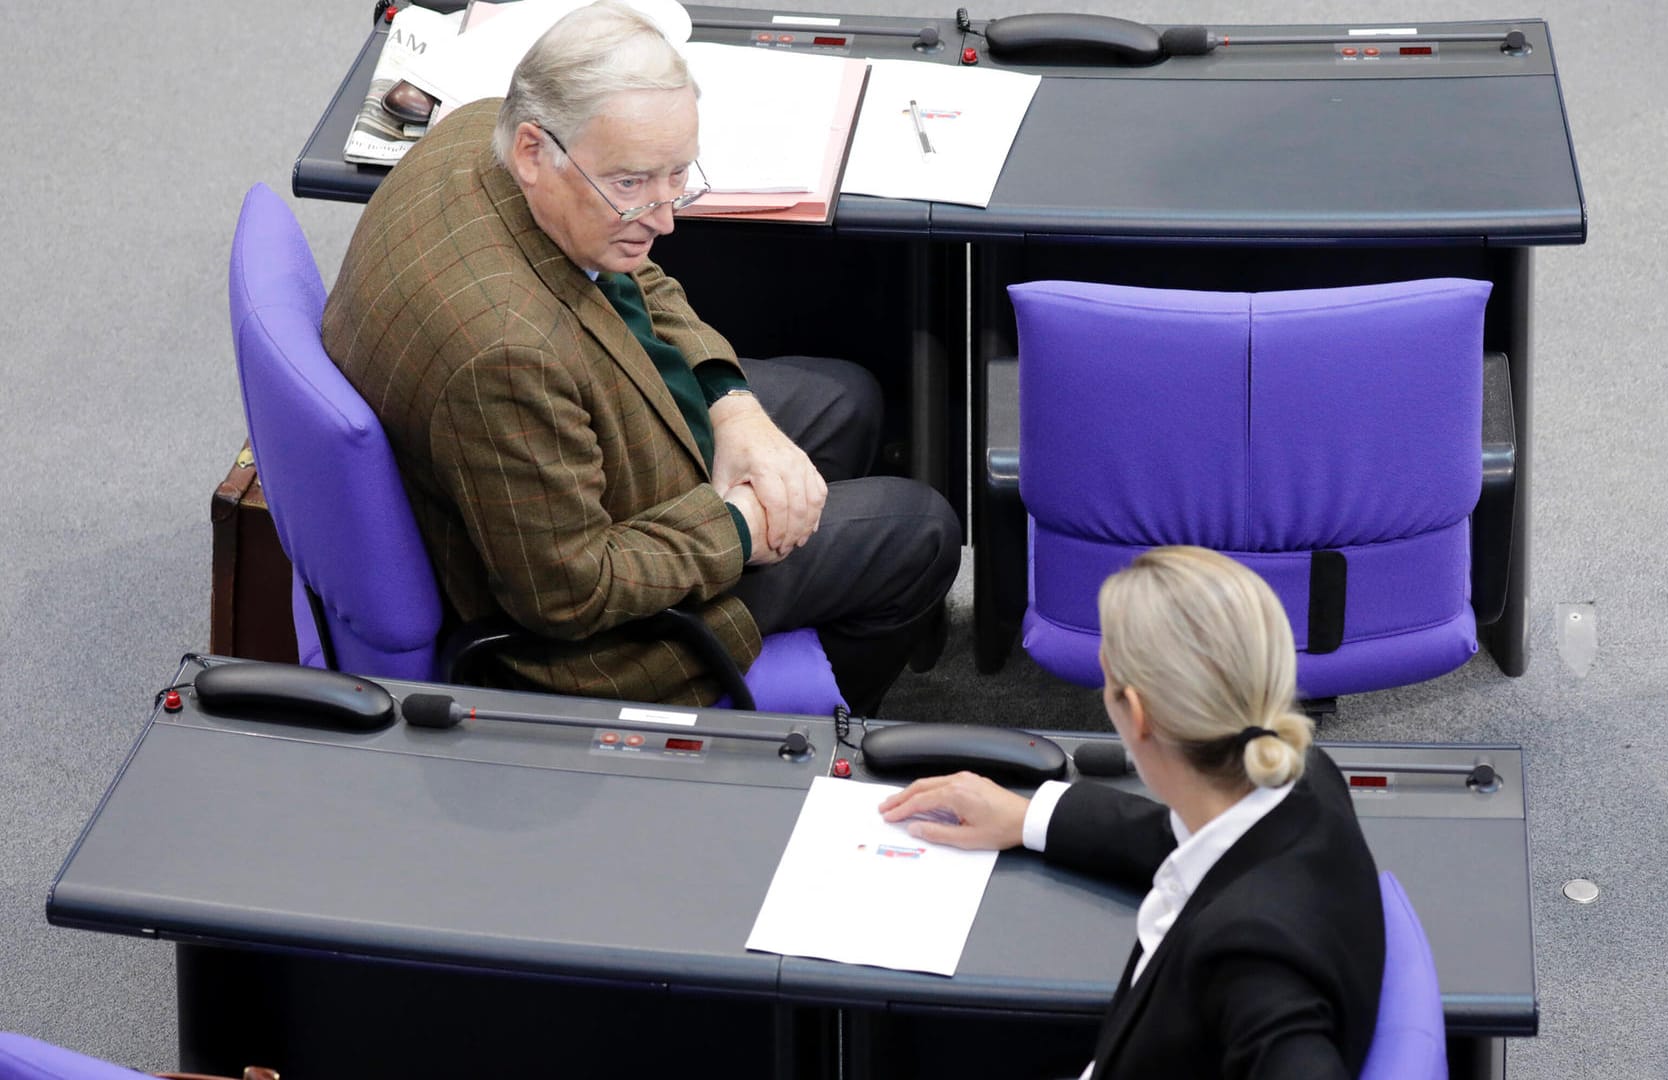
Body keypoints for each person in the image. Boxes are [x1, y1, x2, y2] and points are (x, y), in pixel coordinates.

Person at [323, 1, 959, 714]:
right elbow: (570, 593)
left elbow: (632, 276)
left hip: (573, 446)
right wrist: (741, 528)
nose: (664, 218)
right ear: (536, 150)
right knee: (920, 530)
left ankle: (793, 585)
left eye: (676, 177)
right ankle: (792, 739)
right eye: (631, 184)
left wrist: (732, 401)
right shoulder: (504, 356)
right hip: (587, 645)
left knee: (845, 400)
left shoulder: (483, 132)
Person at [880, 547, 1385, 1079]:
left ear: (1136, 714)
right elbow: (1184, 844)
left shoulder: (1253, 961)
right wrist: (1029, 817)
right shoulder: (1305, 779)